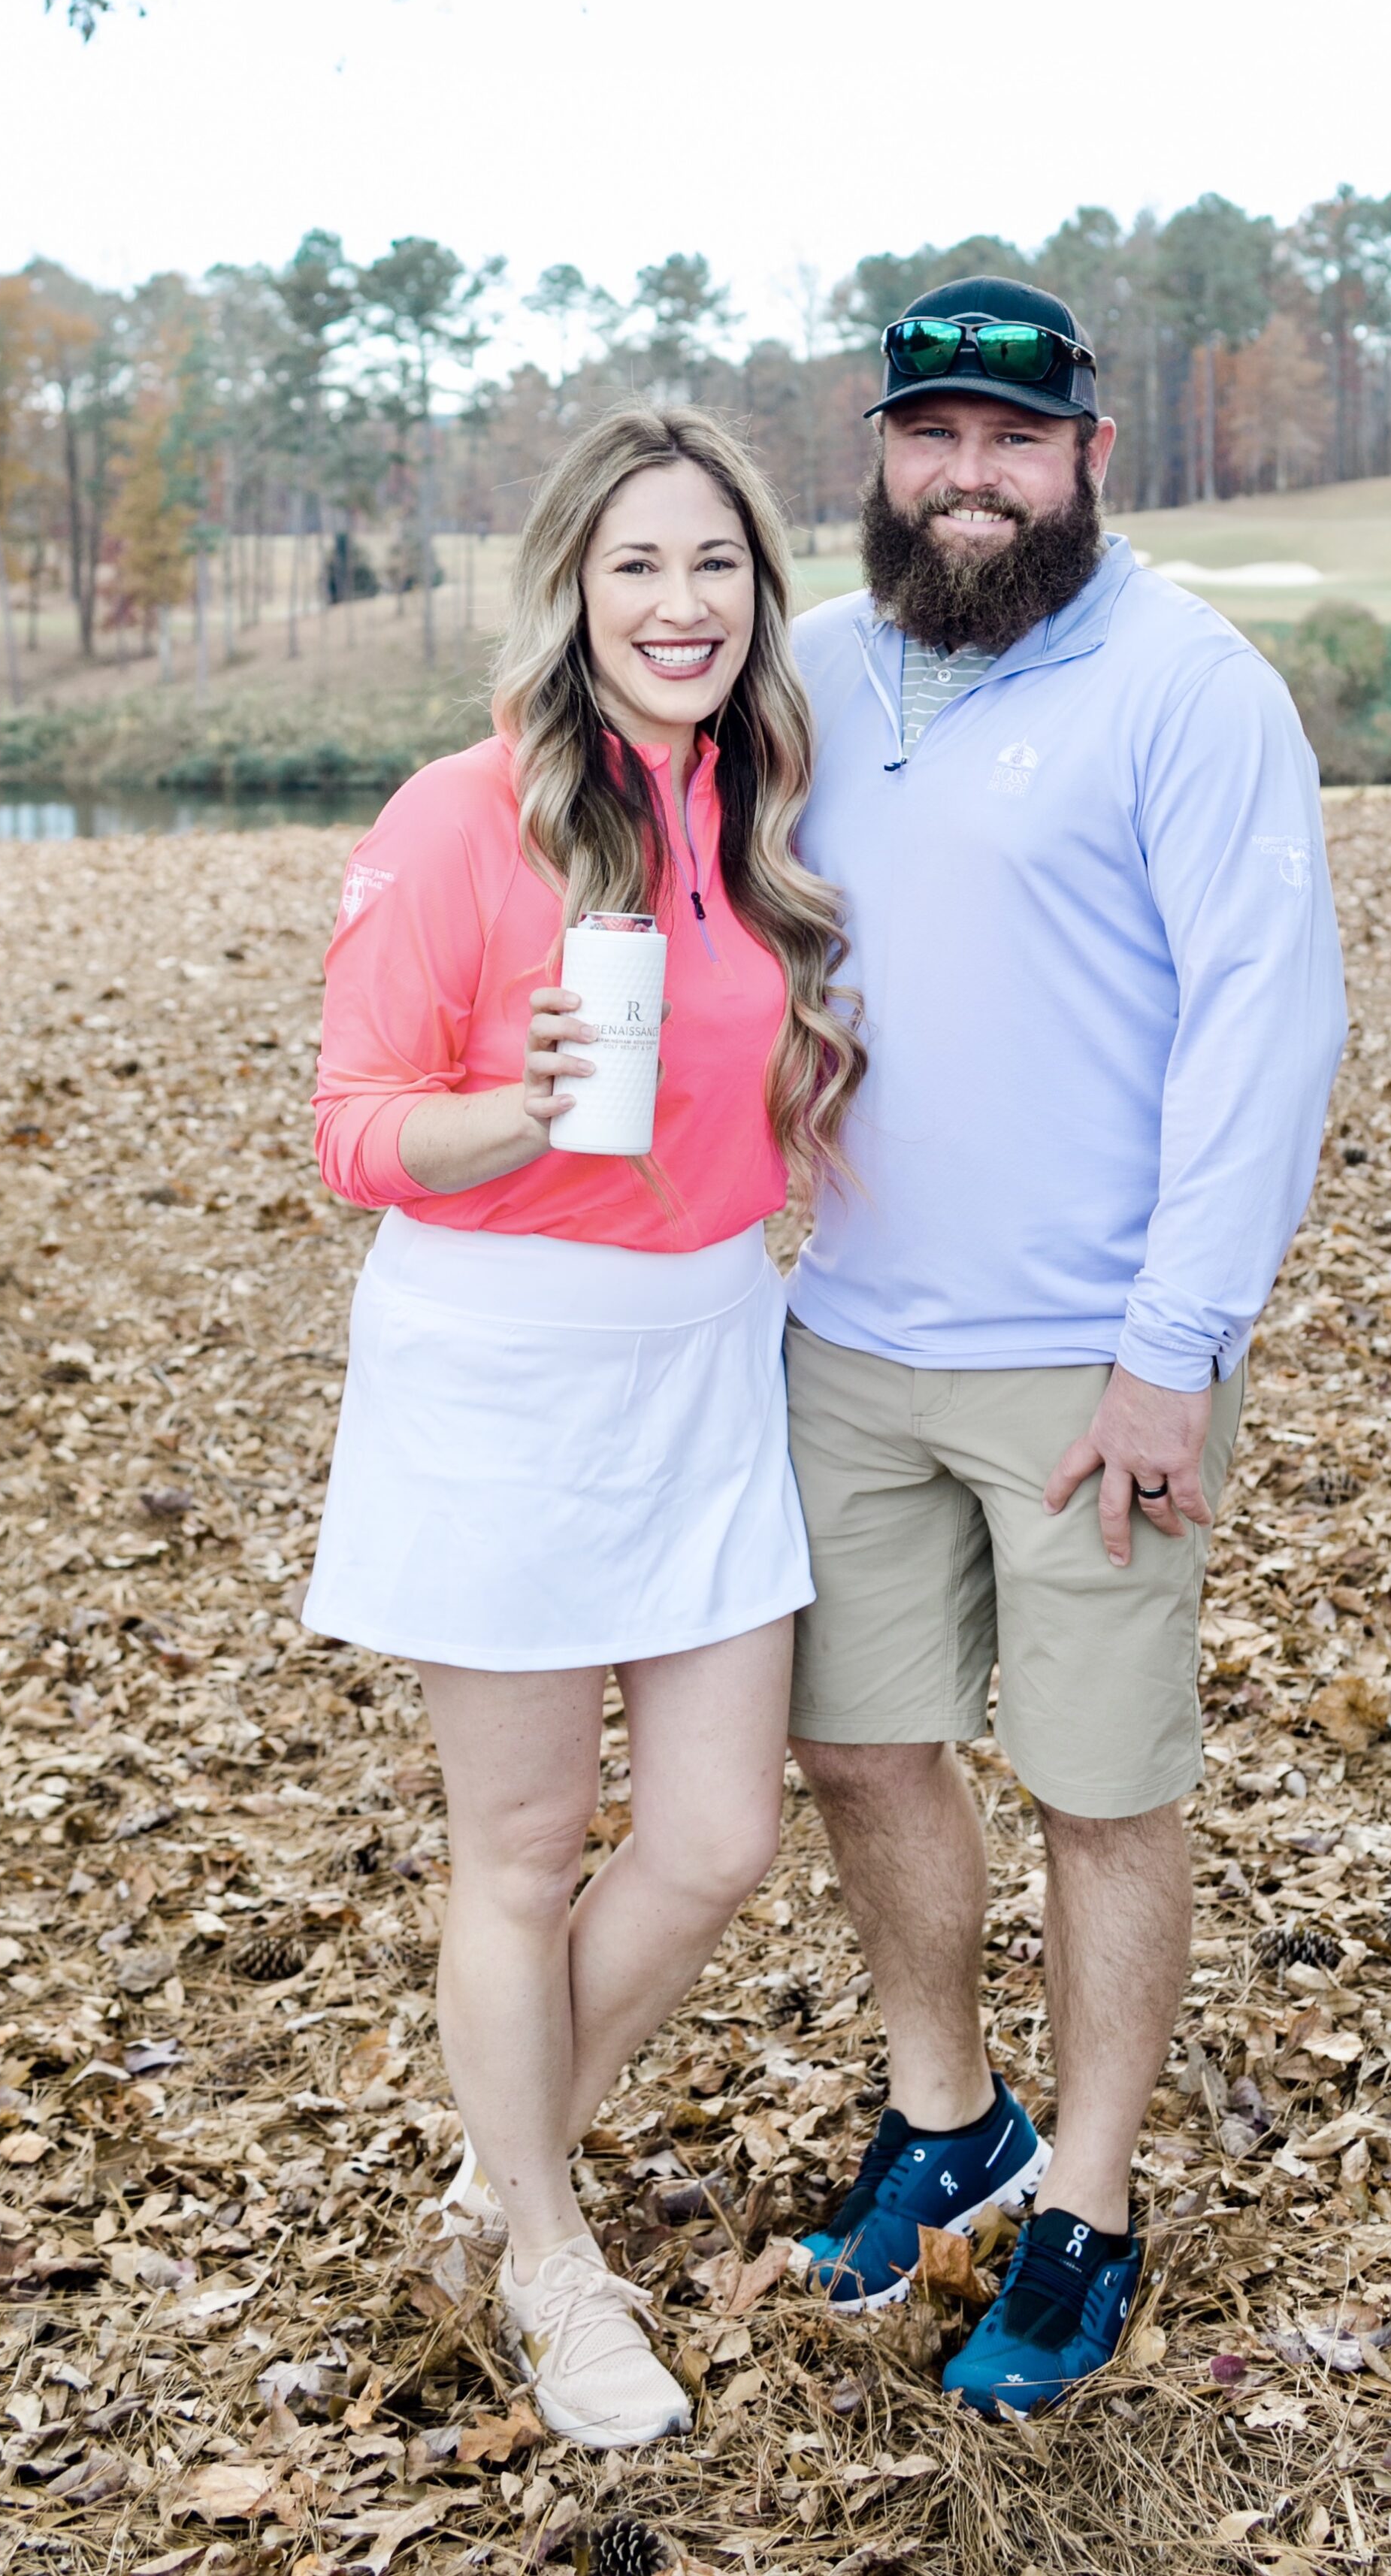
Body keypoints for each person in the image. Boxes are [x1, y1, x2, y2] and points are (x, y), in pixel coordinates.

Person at [782, 275, 1347, 2416]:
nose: (971, 479)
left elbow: (1267, 1031)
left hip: (1090, 1359)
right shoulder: (821, 667)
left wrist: (1174, 1350)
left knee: (1101, 1791)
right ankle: (952, 2117)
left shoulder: (1187, 687)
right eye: (934, 437)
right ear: (883, 457)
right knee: (854, 1742)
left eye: (1015, 442)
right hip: (843, 1327)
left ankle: (1087, 2202)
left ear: (1091, 457)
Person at [304, 407, 860, 2450]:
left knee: (714, 1837)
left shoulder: (764, 805)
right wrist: (511, 1109)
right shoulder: (464, 815)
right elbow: (354, 1127)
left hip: (709, 1356)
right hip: (504, 1366)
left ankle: (494, 2171)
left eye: (715, 562)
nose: (680, 603)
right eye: (637, 564)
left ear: (759, 592)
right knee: (524, 1850)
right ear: (572, 589)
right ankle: (550, 2257)